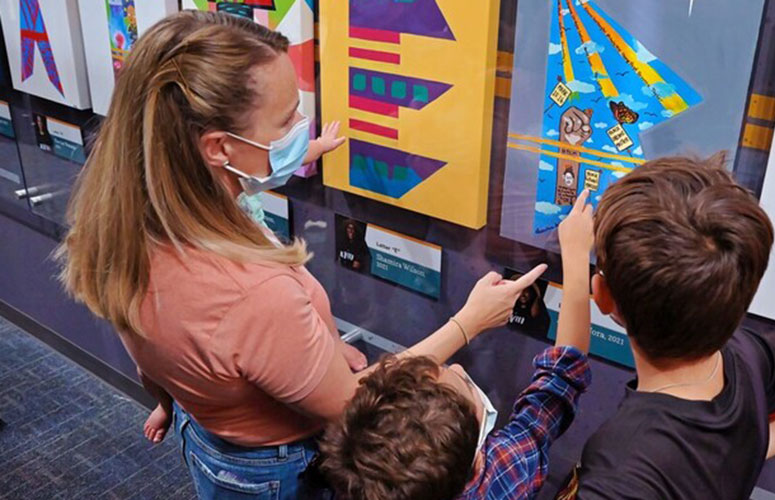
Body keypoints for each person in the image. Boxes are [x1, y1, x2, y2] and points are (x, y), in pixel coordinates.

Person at [58, 11, 546, 499]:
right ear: (218, 147)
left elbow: (158, 363)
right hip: (276, 472)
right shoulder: (248, 290)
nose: (302, 126)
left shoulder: (120, 227)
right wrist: (469, 322)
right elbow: (351, 403)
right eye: (287, 117)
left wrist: (300, 361)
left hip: (208, 436)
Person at [558, 155, 775, 499]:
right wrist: (746, 453)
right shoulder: (747, 353)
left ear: (603, 297)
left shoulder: (621, 473)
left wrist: (575, 263)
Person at [317, 192, 598, 500]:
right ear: (478, 464)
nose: (459, 366)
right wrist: (576, 256)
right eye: (464, 382)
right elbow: (559, 381)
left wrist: (468, 322)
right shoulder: (504, 474)